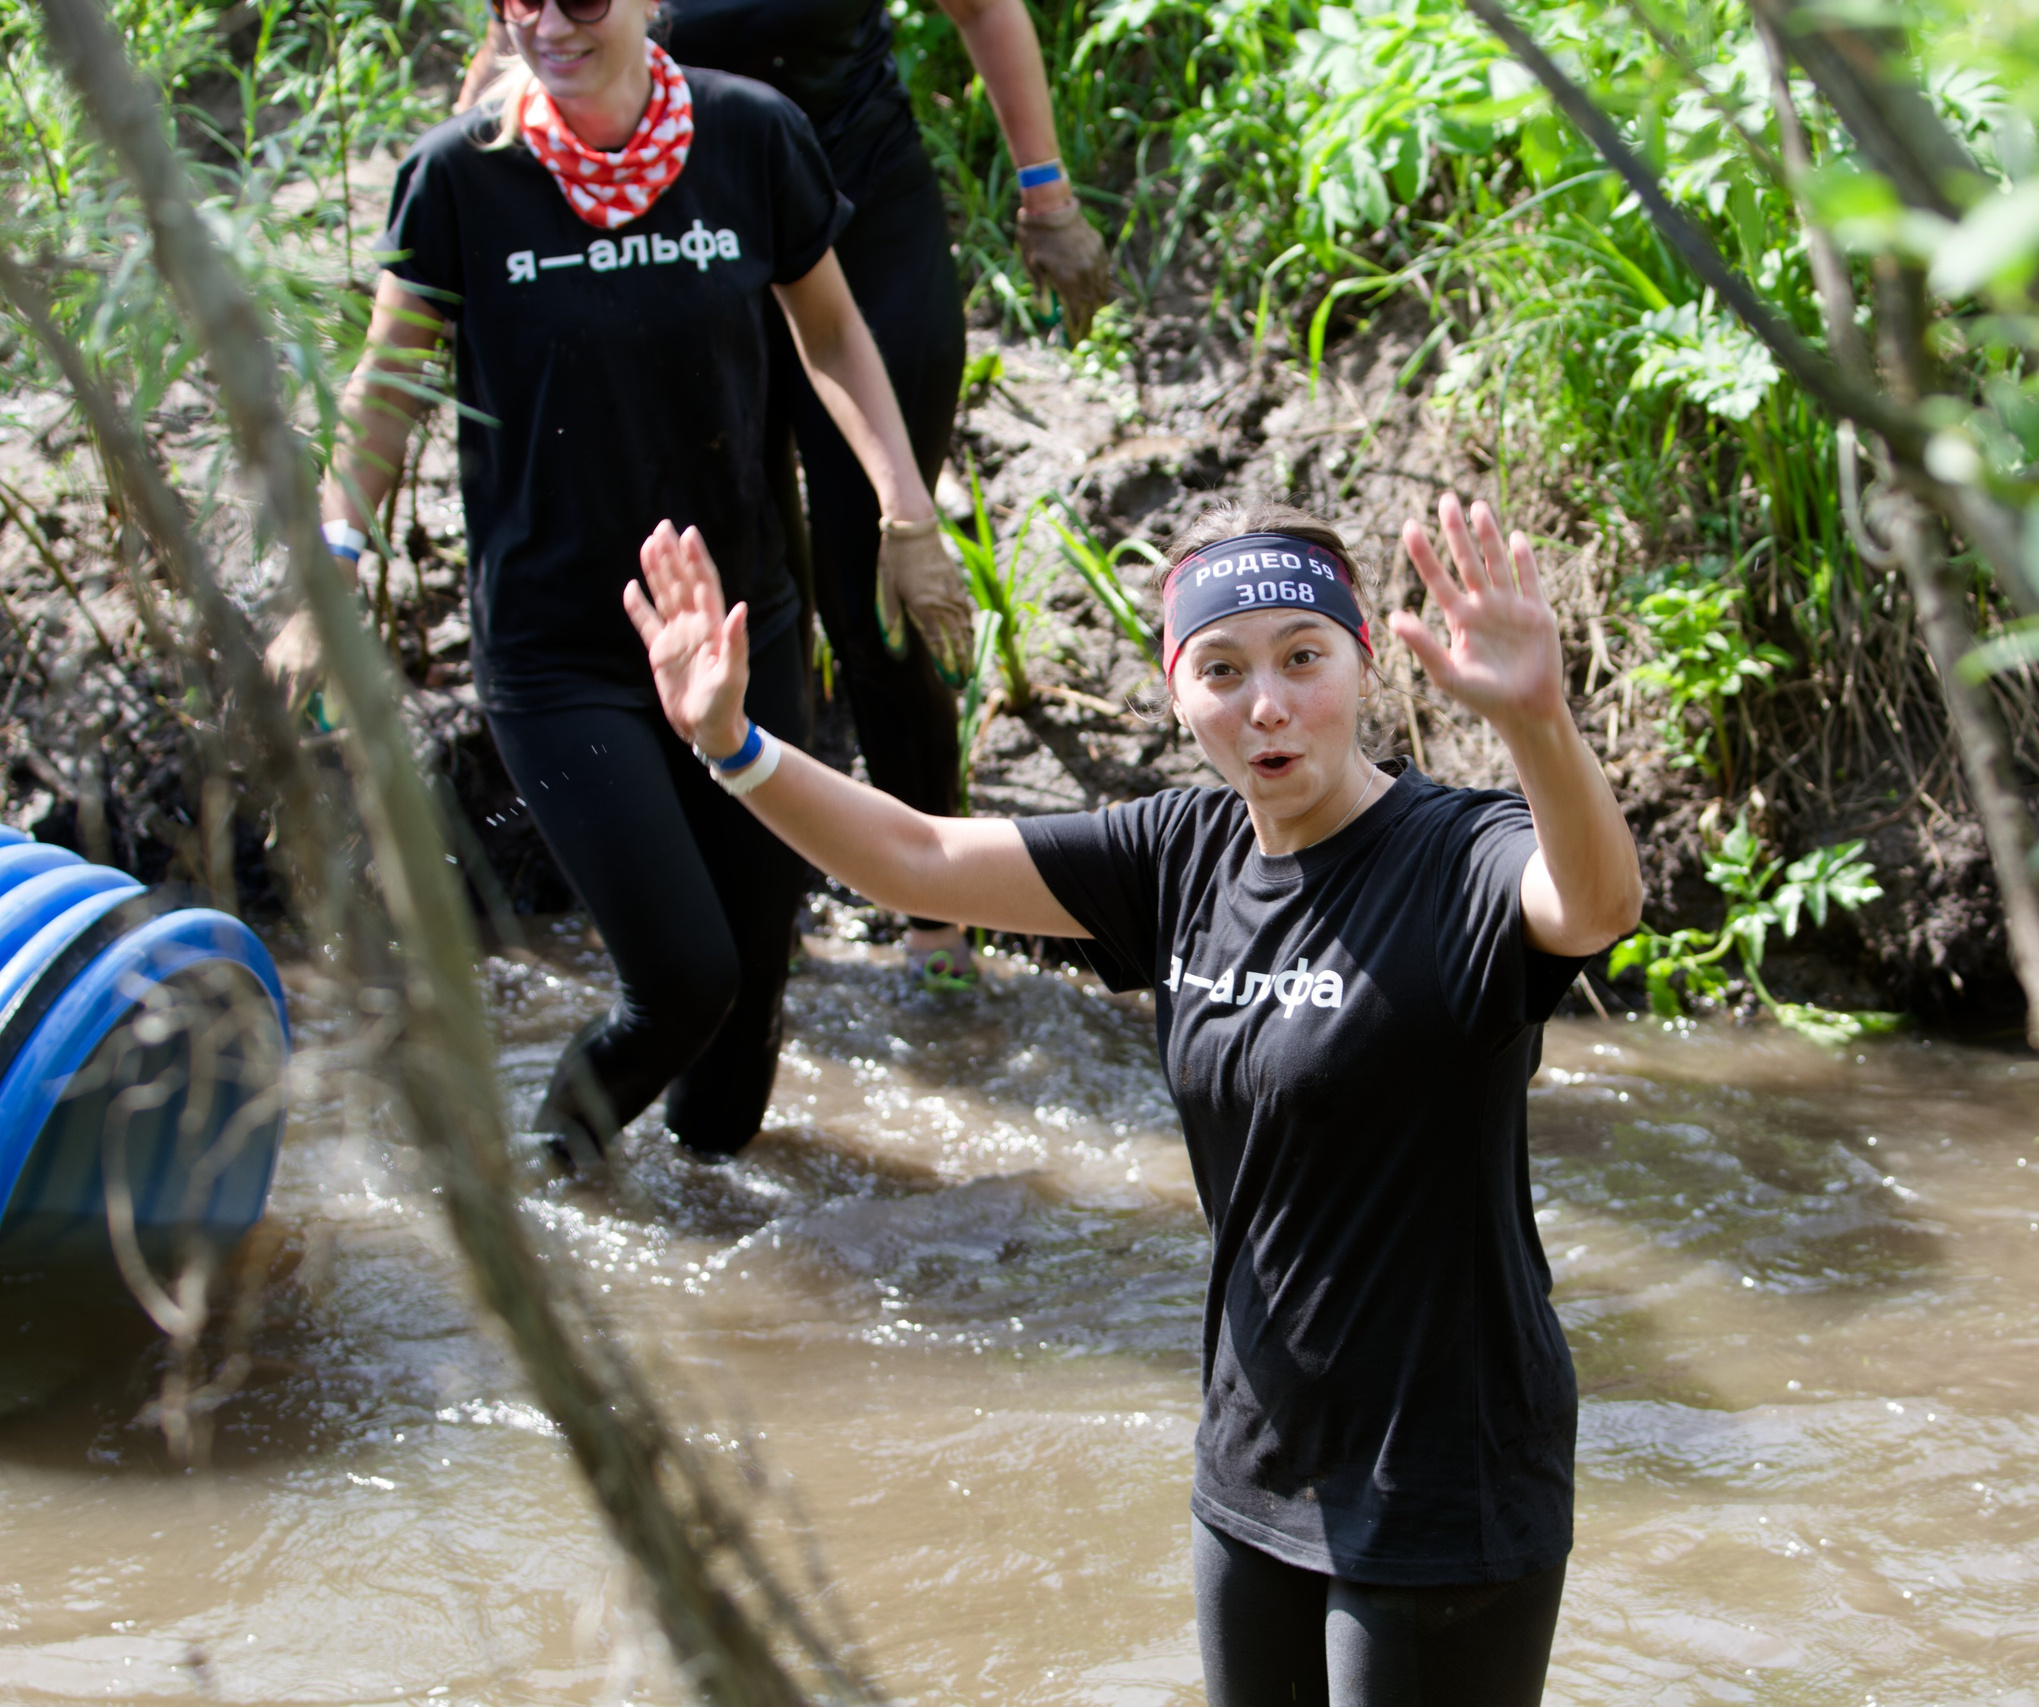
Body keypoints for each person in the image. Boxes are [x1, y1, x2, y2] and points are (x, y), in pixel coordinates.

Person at [621, 491, 1645, 1703]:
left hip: (1444, 1480)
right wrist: (731, 744)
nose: (1265, 704)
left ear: (1362, 663)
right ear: (1177, 692)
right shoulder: (1182, 856)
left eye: (1301, 659)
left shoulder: (1455, 856)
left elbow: (1590, 905)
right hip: (1253, 1466)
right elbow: (914, 857)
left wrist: (1539, 727)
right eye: (1221, 669)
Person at [269, 0, 953, 1160]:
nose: (547, 23)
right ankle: (551, 1181)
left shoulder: (752, 134)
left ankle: (716, 1266)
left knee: (747, 1020)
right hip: (559, 647)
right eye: (515, 1)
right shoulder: (458, 178)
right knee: (685, 980)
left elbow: (830, 332)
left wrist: (906, 512)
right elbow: (386, 389)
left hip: (739, 628)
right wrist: (328, 564)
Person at [459, 0, 1113, 989]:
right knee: (722, 576)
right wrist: (472, 201)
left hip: (864, 217)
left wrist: (1046, 197)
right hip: (693, 239)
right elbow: (523, 41)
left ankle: (936, 919)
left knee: (878, 580)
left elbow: (983, 8)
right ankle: (759, 910)